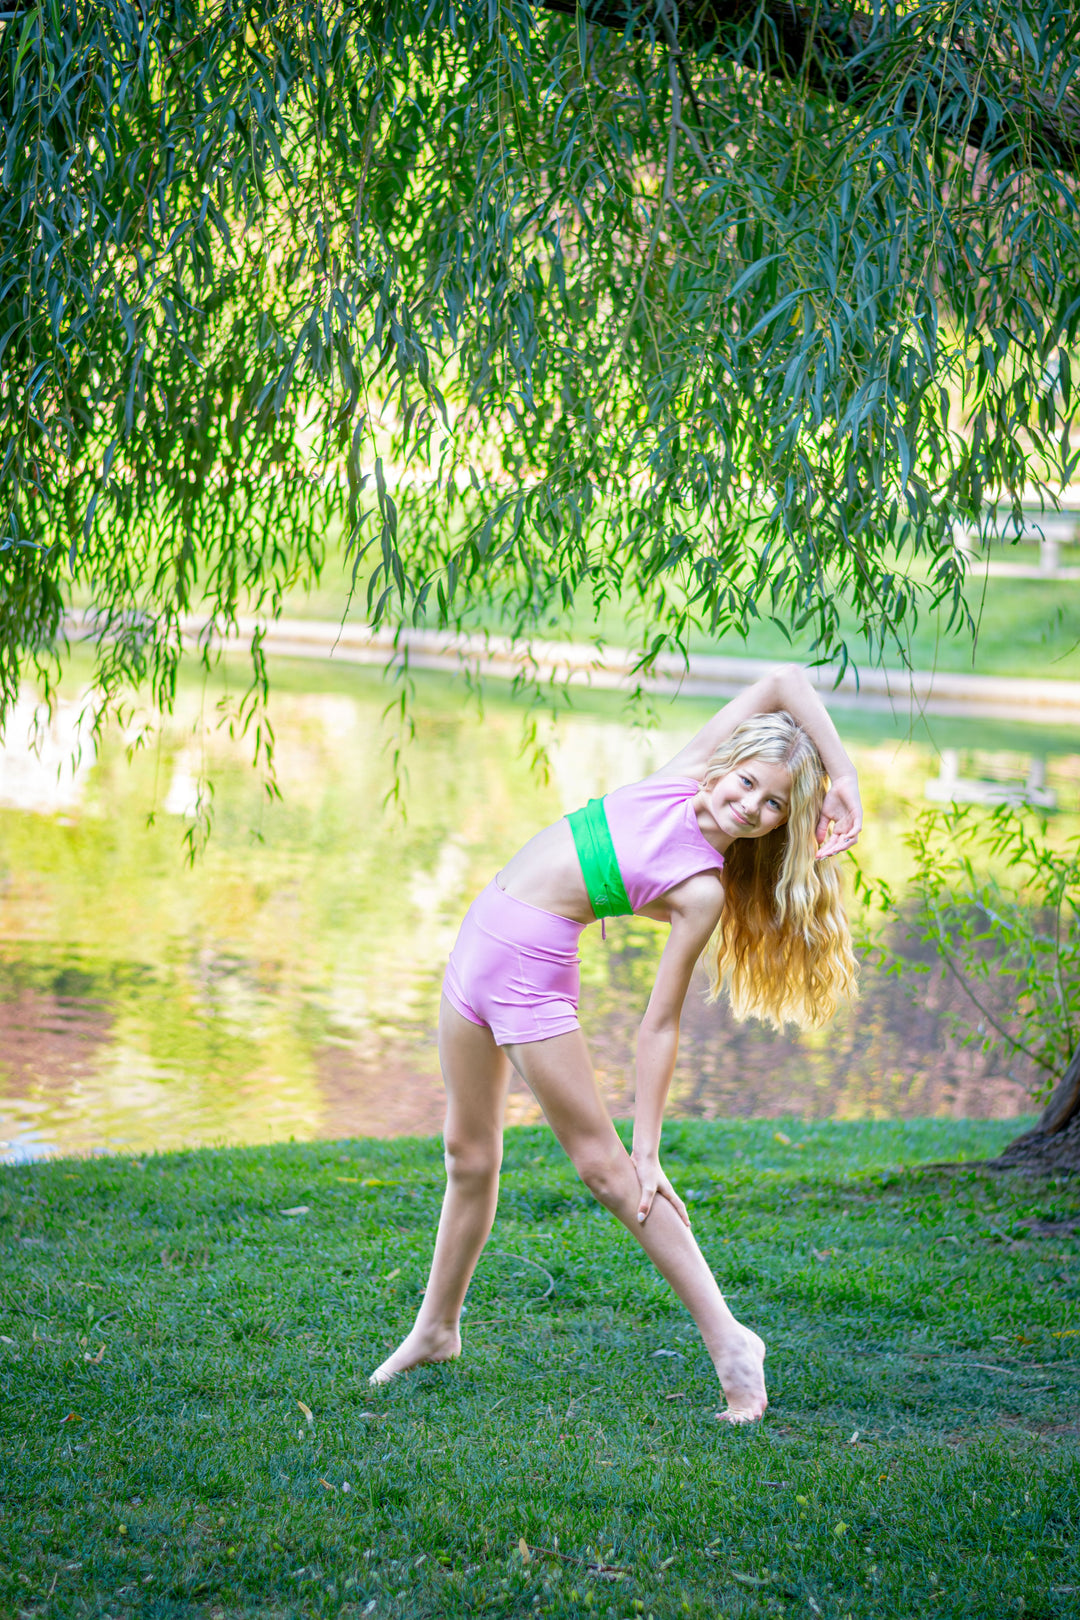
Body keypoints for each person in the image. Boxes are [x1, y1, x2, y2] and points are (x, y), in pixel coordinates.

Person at [369, 665, 861, 1421]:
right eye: (751, 785)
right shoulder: (684, 776)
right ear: (727, 765)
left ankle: (733, 1342)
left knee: (608, 1170)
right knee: (467, 1155)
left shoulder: (701, 891)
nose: (752, 807)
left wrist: (650, 1147)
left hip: (530, 976)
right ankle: (436, 1329)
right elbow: (785, 680)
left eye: (773, 808)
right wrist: (842, 777)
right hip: (476, 946)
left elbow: (659, 1022)